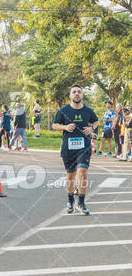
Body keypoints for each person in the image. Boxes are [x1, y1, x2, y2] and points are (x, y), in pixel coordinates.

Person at [52, 84, 98, 215]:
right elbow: (55, 125)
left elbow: (95, 121)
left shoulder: (88, 111)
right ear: (70, 95)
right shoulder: (63, 110)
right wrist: (65, 127)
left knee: (83, 171)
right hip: (68, 147)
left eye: (79, 92)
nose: (77, 94)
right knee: (71, 175)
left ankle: (81, 202)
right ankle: (70, 199)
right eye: (74, 92)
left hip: (84, 147)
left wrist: (91, 129)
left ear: (82, 95)